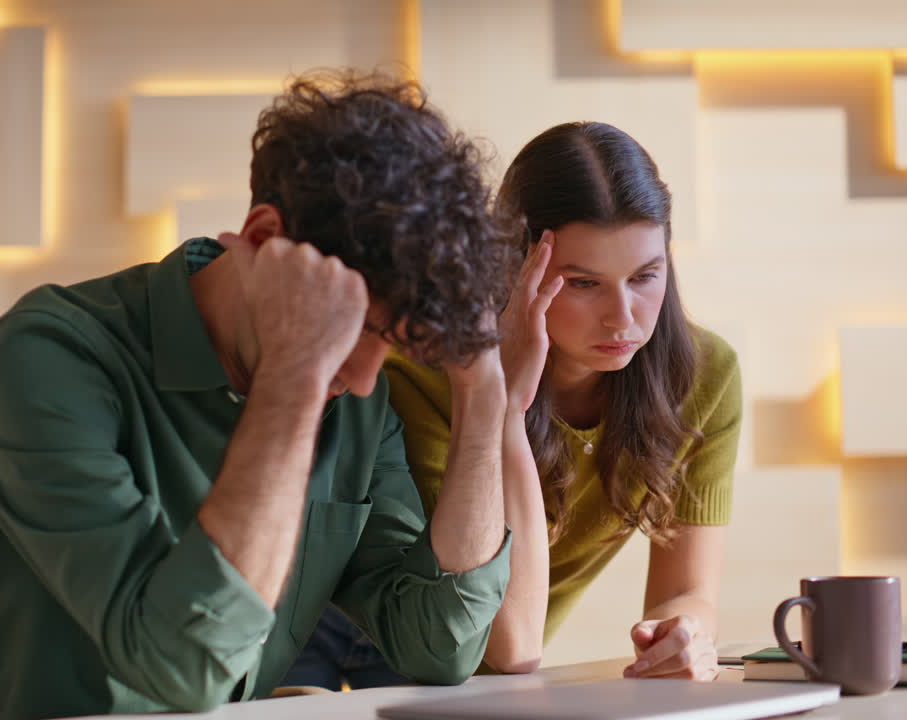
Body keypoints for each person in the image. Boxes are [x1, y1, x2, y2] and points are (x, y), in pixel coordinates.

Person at [0, 70, 523, 719]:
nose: (368, 380)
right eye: (357, 330)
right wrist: (295, 372)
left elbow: (438, 646)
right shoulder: (47, 359)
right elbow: (182, 667)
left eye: (394, 346)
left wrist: (483, 387)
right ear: (265, 240)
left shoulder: (356, 403)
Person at [283, 121, 741, 688]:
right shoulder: (422, 377)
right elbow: (508, 644)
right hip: (333, 629)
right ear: (512, 267)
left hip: (472, 667)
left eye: (645, 276)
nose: (623, 317)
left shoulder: (705, 377)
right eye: (582, 283)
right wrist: (503, 403)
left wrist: (685, 634)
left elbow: (684, 591)